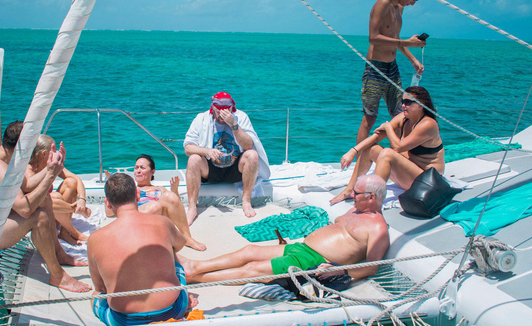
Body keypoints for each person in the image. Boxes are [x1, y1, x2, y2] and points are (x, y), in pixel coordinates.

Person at [180, 175, 389, 283]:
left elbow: (372, 267)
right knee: (249, 251)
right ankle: (195, 265)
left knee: (252, 270)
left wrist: (339, 270)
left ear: (371, 197)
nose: (352, 195)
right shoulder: (356, 210)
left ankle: (194, 277)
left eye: (357, 193)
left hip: (313, 261)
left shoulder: (378, 229)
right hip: (303, 248)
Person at [87, 173, 199, 326]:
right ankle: (183, 300)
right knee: (171, 251)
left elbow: (100, 288)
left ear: (107, 203)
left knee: (95, 297)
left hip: (124, 322)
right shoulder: (162, 222)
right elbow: (180, 244)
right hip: (172, 310)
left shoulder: (94, 239)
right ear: (138, 195)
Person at [0, 121, 91, 293]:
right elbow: (24, 209)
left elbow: (29, 184)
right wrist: (51, 174)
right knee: (38, 216)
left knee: (44, 198)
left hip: (4, 219)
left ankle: (59, 253)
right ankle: (57, 275)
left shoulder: (10, 159)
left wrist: (53, 167)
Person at [331, 86, 444, 204]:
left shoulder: (428, 124)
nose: (404, 105)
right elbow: (377, 136)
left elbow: (398, 147)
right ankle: (349, 190)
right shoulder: (404, 118)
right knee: (371, 149)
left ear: (421, 105)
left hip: (427, 182)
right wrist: (353, 151)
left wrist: (388, 127)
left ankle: (373, 202)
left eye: (408, 102)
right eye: (403, 101)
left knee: (388, 153)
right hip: (408, 177)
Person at [357, 0, 427, 147]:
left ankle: (399, 156)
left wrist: (412, 59)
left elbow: (394, 39)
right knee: (370, 118)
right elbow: (373, 38)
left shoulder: (399, 8)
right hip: (375, 68)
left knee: (400, 115)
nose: (412, 4)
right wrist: (406, 42)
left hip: (392, 67)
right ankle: (359, 160)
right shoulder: (382, 4)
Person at [183, 91, 271, 225]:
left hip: (234, 168)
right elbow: (188, 148)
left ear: (231, 108)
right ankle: (192, 208)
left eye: (225, 110)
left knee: (252, 155)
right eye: (218, 110)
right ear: (212, 107)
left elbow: (249, 145)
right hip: (210, 169)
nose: (221, 114)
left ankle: (246, 202)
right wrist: (206, 151)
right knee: (193, 159)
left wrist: (233, 125)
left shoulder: (240, 117)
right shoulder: (201, 119)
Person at [132, 154, 206, 251]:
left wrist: (174, 191)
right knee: (155, 206)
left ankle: (187, 238)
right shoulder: (131, 189)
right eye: (136, 167)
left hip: (158, 223)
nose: (138, 171)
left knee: (169, 196)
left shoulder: (160, 189)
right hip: (139, 222)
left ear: (152, 172)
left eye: (142, 168)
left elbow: (176, 207)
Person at [29, 134, 91, 246]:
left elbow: (76, 179)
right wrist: (78, 209)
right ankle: (74, 232)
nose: (57, 153)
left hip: (57, 213)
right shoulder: (30, 170)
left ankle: (64, 232)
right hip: (40, 217)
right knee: (53, 197)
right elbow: (40, 201)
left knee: (71, 182)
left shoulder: (54, 165)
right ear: (44, 154)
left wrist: (82, 200)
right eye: (54, 150)